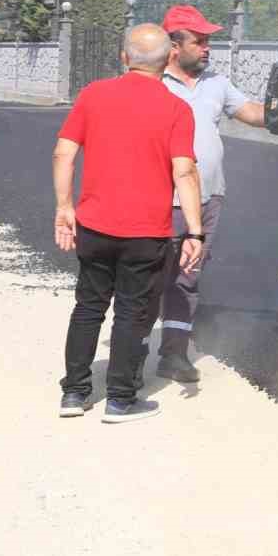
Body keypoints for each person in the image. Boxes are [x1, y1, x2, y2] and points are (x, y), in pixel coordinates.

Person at [55, 23, 204, 423]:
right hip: (146, 232)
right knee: (131, 311)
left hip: (94, 225)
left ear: (124, 58)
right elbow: (185, 172)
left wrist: (64, 207)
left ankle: (74, 393)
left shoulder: (93, 95)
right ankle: (120, 400)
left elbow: (63, 155)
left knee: (88, 306)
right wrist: (194, 230)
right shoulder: (177, 109)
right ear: (169, 59)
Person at [155, 4, 265, 384]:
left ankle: (173, 353)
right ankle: (130, 350)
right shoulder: (152, 84)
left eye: (208, 41)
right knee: (150, 276)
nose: (206, 47)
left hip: (208, 198)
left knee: (187, 276)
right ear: (173, 45)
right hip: (160, 199)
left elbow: (250, 111)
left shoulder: (216, 83)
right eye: (199, 41)